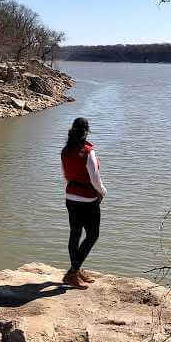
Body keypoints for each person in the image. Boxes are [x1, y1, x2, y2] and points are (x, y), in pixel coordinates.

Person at [60, 117, 107, 289]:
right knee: (93, 235)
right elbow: (95, 178)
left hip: (71, 197)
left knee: (75, 234)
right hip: (87, 199)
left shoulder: (65, 150)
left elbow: (66, 174)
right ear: (87, 131)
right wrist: (102, 192)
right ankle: (72, 273)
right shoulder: (88, 151)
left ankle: (76, 270)